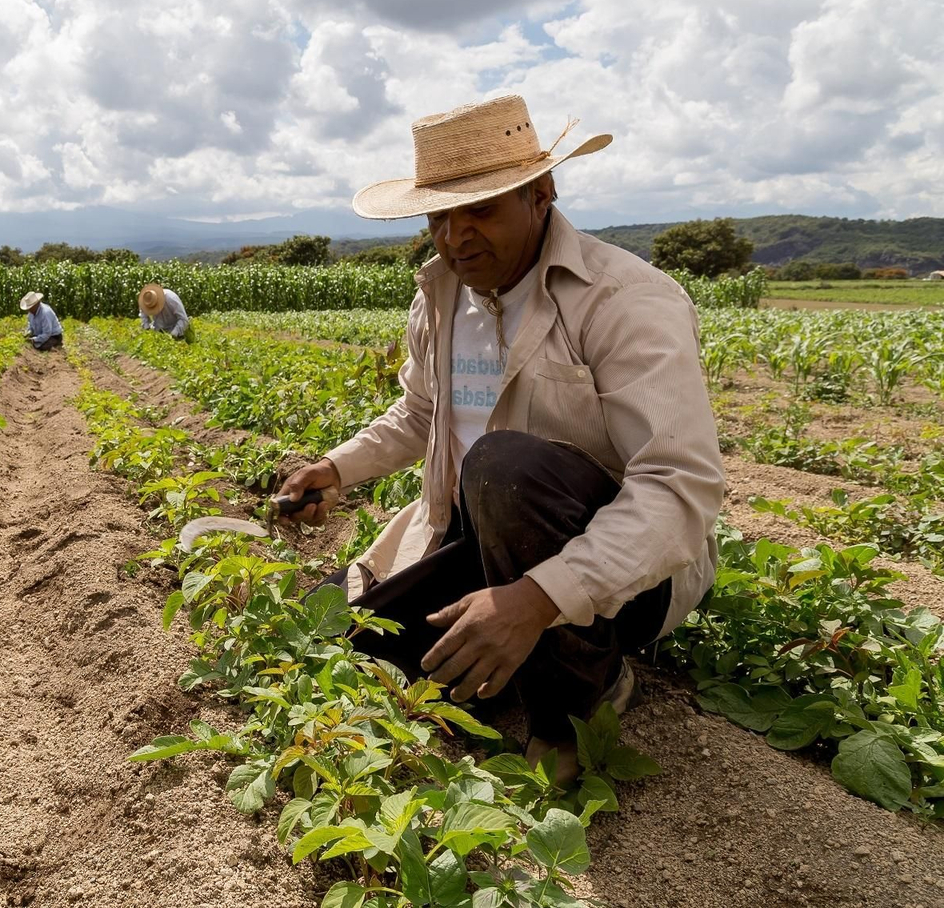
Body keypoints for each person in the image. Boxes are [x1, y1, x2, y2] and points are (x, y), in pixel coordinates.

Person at [276, 94, 724, 782]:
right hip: (482, 541)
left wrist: (537, 597)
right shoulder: (442, 295)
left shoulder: (625, 300)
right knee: (346, 645)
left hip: (628, 575)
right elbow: (422, 412)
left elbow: (677, 486)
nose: (456, 237)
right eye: (440, 217)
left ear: (541, 194)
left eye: (480, 210)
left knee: (502, 466)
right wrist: (333, 469)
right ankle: (508, 648)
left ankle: (578, 699)